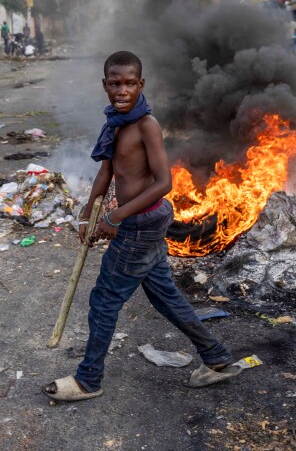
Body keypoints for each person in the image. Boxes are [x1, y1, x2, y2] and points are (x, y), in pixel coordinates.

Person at [42, 51, 237, 402]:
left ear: (141, 85)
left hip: (140, 223)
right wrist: (88, 217)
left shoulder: (146, 125)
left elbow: (164, 183)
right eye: (115, 83)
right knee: (165, 295)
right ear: (105, 85)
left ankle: (88, 380)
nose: (122, 90)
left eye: (130, 83)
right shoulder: (115, 123)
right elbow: (106, 172)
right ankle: (217, 356)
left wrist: (115, 217)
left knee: (104, 301)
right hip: (142, 221)